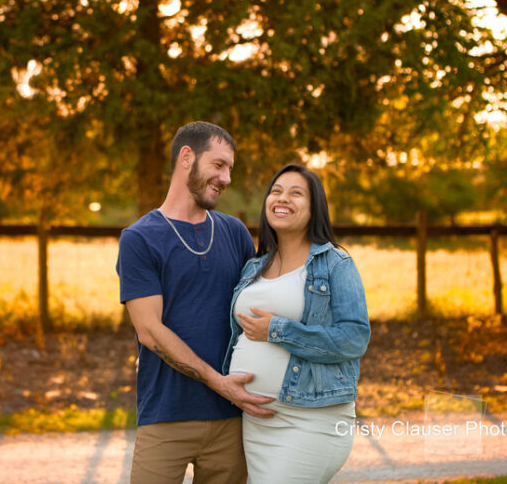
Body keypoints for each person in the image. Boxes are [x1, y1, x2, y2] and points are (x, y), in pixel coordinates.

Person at [117, 121, 274, 484]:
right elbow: (150, 331)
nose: (227, 178)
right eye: (219, 165)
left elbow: (254, 309)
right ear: (186, 157)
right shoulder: (140, 239)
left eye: (230, 168)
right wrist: (218, 382)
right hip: (166, 414)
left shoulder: (234, 232)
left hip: (232, 419)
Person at [223, 163, 370, 484]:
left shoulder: (336, 264)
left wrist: (277, 330)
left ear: (315, 207)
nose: (282, 198)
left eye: (296, 193)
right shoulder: (253, 267)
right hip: (257, 421)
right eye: (275, 191)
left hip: (311, 419)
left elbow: (354, 338)